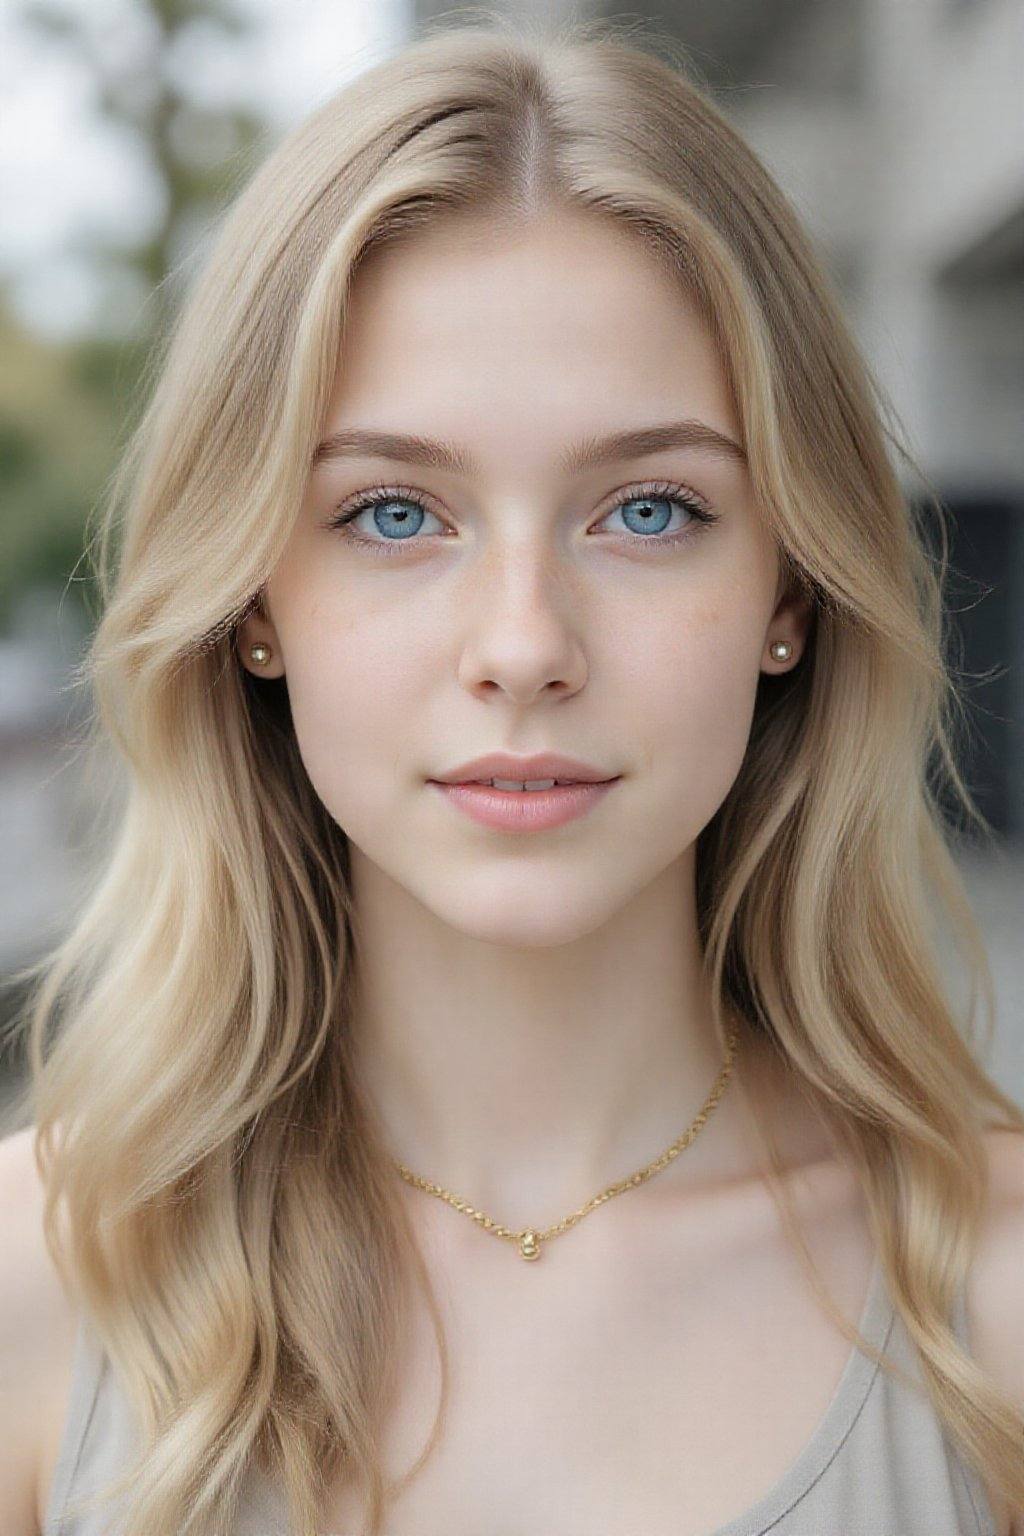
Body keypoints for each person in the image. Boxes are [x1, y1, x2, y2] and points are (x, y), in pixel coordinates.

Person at [1, 16, 1022, 1536]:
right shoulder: (34, 1287)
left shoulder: (999, 1299)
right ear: (252, 607)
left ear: (792, 596)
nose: (526, 646)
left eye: (653, 510)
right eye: (397, 514)